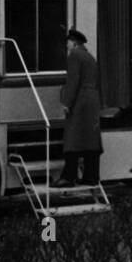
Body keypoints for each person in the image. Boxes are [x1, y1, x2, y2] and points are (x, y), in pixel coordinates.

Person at [54, 27, 103, 187]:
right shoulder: (89, 56)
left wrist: (67, 103)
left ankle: (68, 177)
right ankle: (91, 177)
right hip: (92, 100)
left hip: (80, 101)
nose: (66, 45)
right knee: (91, 139)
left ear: (73, 42)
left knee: (72, 139)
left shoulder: (74, 55)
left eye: (68, 42)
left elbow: (73, 81)